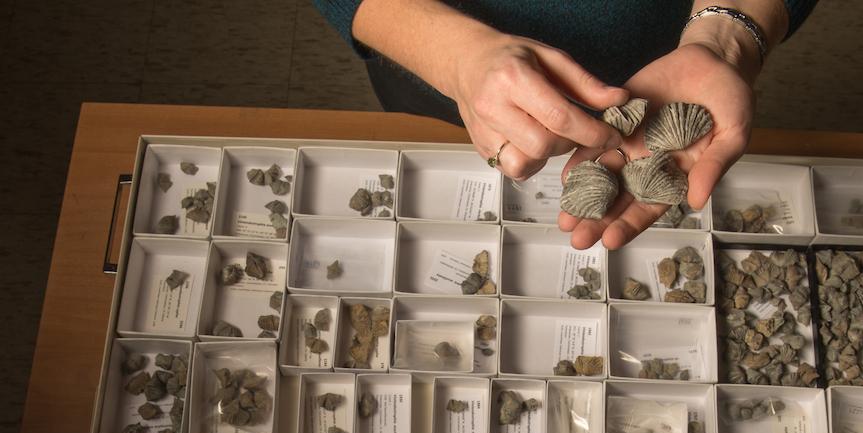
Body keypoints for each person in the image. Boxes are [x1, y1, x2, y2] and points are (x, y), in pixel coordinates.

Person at [315, 1, 816, 248]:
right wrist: (453, 58)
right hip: (432, 57)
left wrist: (723, 36)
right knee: (438, 134)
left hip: (668, 54)